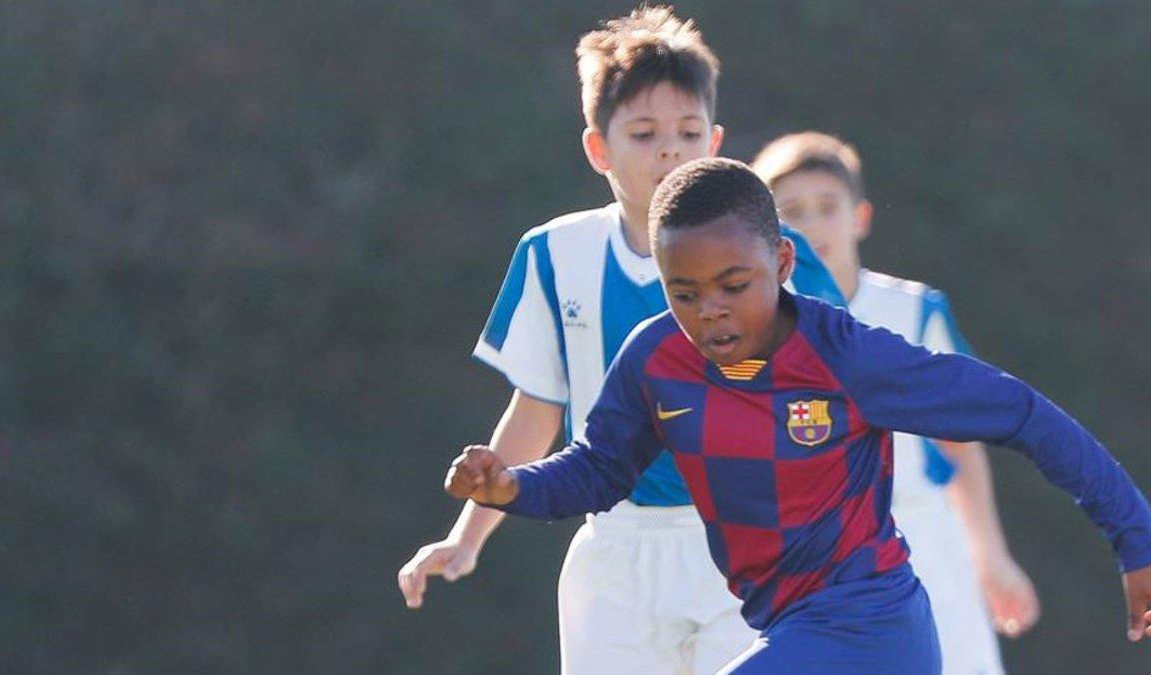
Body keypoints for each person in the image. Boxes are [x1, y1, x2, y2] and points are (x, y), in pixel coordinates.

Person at [443, 157, 1151, 674]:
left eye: (733, 283)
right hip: (784, 630)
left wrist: (1137, 539)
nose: (710, 309)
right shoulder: (654, 359)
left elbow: (1021, 412)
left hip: (874, 633)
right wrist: (513, 487)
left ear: (781, 261)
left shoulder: (847, 354)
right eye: (683, 291)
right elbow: (598, 471)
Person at [397, 7, 842, 673]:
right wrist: (467, 538)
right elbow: (540, 405)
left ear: (715, 143)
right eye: (644, 133)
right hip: (616, 554)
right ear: (598, 148)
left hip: (753, 543)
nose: (670, 149)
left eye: (688, 131)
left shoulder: (780, 254)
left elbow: (832, 393)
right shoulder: (555, 253)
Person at [750, 131, 1039, 673]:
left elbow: (958, 446)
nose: (813, 224)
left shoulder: (912, 311)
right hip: (812, 560)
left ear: (859, 216)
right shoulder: (750, 329)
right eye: (793, 211)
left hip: (923, 543)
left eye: (827, 207)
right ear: (766, 231)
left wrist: (990, 554)